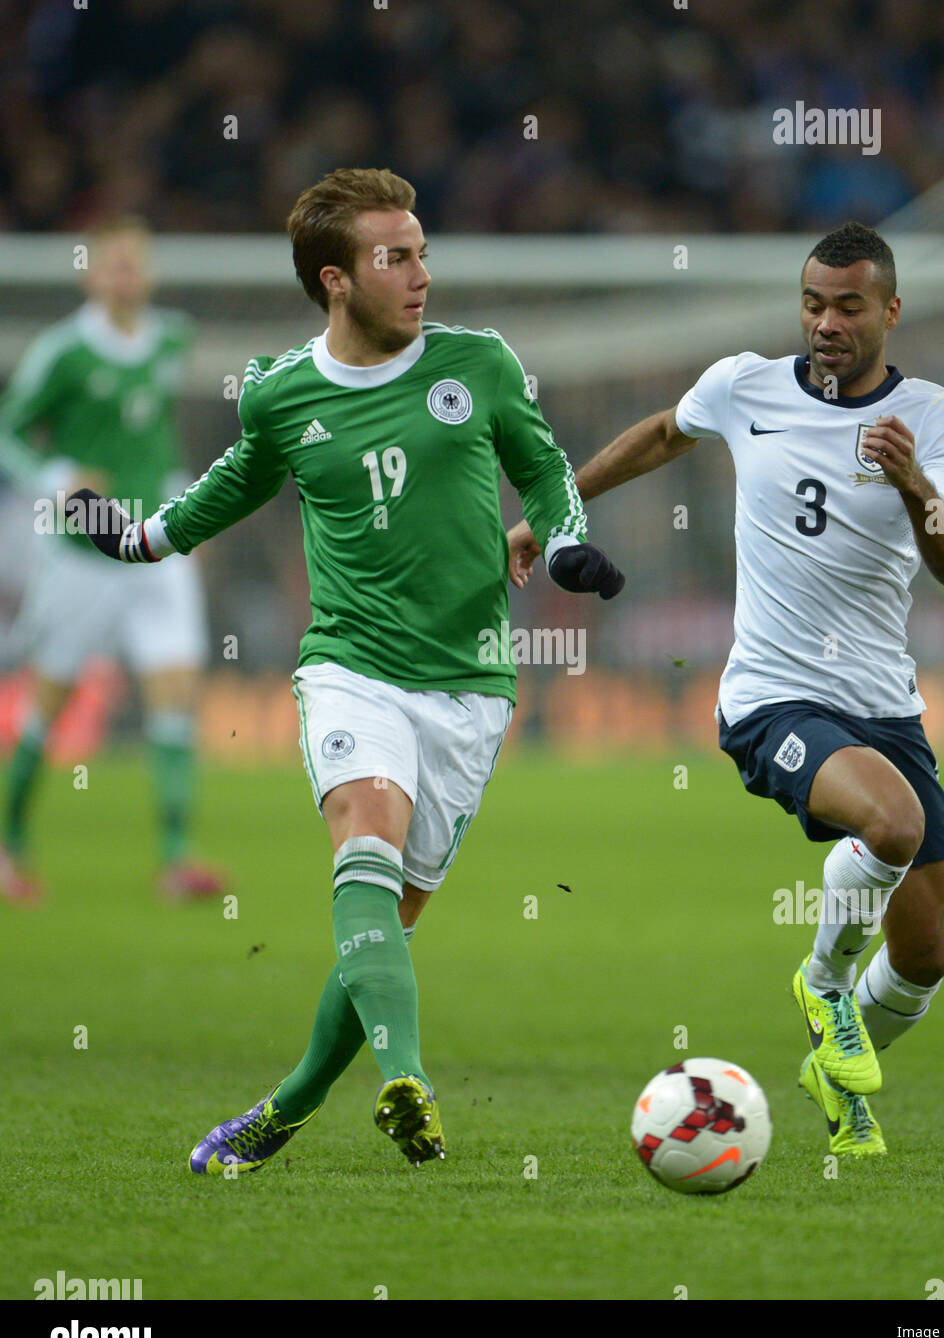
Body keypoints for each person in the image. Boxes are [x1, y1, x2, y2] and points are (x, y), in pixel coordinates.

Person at [67, 167, 624, 1172]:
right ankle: (406, 1080)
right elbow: (235, 484)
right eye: (394, 257)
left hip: (470, 686)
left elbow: (541, 466)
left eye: (421, 252)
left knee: (388, 926)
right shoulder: (281, 392)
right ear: (335, 278)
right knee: (362, 843)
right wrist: (138, 539)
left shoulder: (479, 364)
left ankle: (279, 1111)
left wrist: (566, 537)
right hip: (350, 666)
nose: (420, 275)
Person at [509, 221, 944, 1157]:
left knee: (928, 955)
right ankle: (823, 985)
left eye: (848, 306)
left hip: (886, 706)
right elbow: (656, 435)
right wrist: (550, 518)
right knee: (890, 826)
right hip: (773, 697)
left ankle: (829, 1068)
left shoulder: (931, 416)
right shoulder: (743, 385)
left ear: (890, 310)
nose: (826, 323)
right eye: (813, 304)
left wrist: (913, 478)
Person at [0, 215, 224, 904]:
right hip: (86, 546)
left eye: (136, 263)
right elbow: (9, 433)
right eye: (114, 264)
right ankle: (10, 845)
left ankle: (175, 858)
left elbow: (156, 431)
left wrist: (185, 502)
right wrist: (59, 475)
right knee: (52, 702)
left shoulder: (170, 338)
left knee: (175, 692)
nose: (127, 275)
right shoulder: (64, 352)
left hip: (154, 539)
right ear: (89, 274)